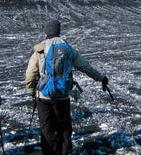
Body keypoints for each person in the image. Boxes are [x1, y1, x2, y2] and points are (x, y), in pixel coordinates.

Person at [25, 20, 109, 155]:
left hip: (44, 97)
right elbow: (85, 66)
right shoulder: (68, 49)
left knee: (48, 130)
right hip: (63, 96)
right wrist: (101, 78)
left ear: (46, 33)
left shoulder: (40, 50)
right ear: (58, 32)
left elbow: (30, 75)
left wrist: (32, 91)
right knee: (64, 128)